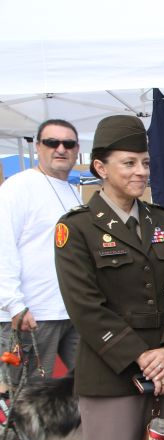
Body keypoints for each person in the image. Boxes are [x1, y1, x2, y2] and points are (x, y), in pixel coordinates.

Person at [54, 115, 164, 440]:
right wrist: (144, 358)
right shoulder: (77, 228)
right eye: (129, 163)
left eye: (145, 163)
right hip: (112, 374)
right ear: (101, 168)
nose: (141, 172)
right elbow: (85, 307)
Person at [0, 119, 81, 384]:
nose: (61, 149)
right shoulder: (17, 187)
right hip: (31, 313)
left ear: (77, 149)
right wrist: (15, 306)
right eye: (52, 142)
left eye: (68, 143)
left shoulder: (73, 192)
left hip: (71, 310)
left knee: (91, 388)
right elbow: (3, 247)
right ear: (37, 147)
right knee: (29, 395)